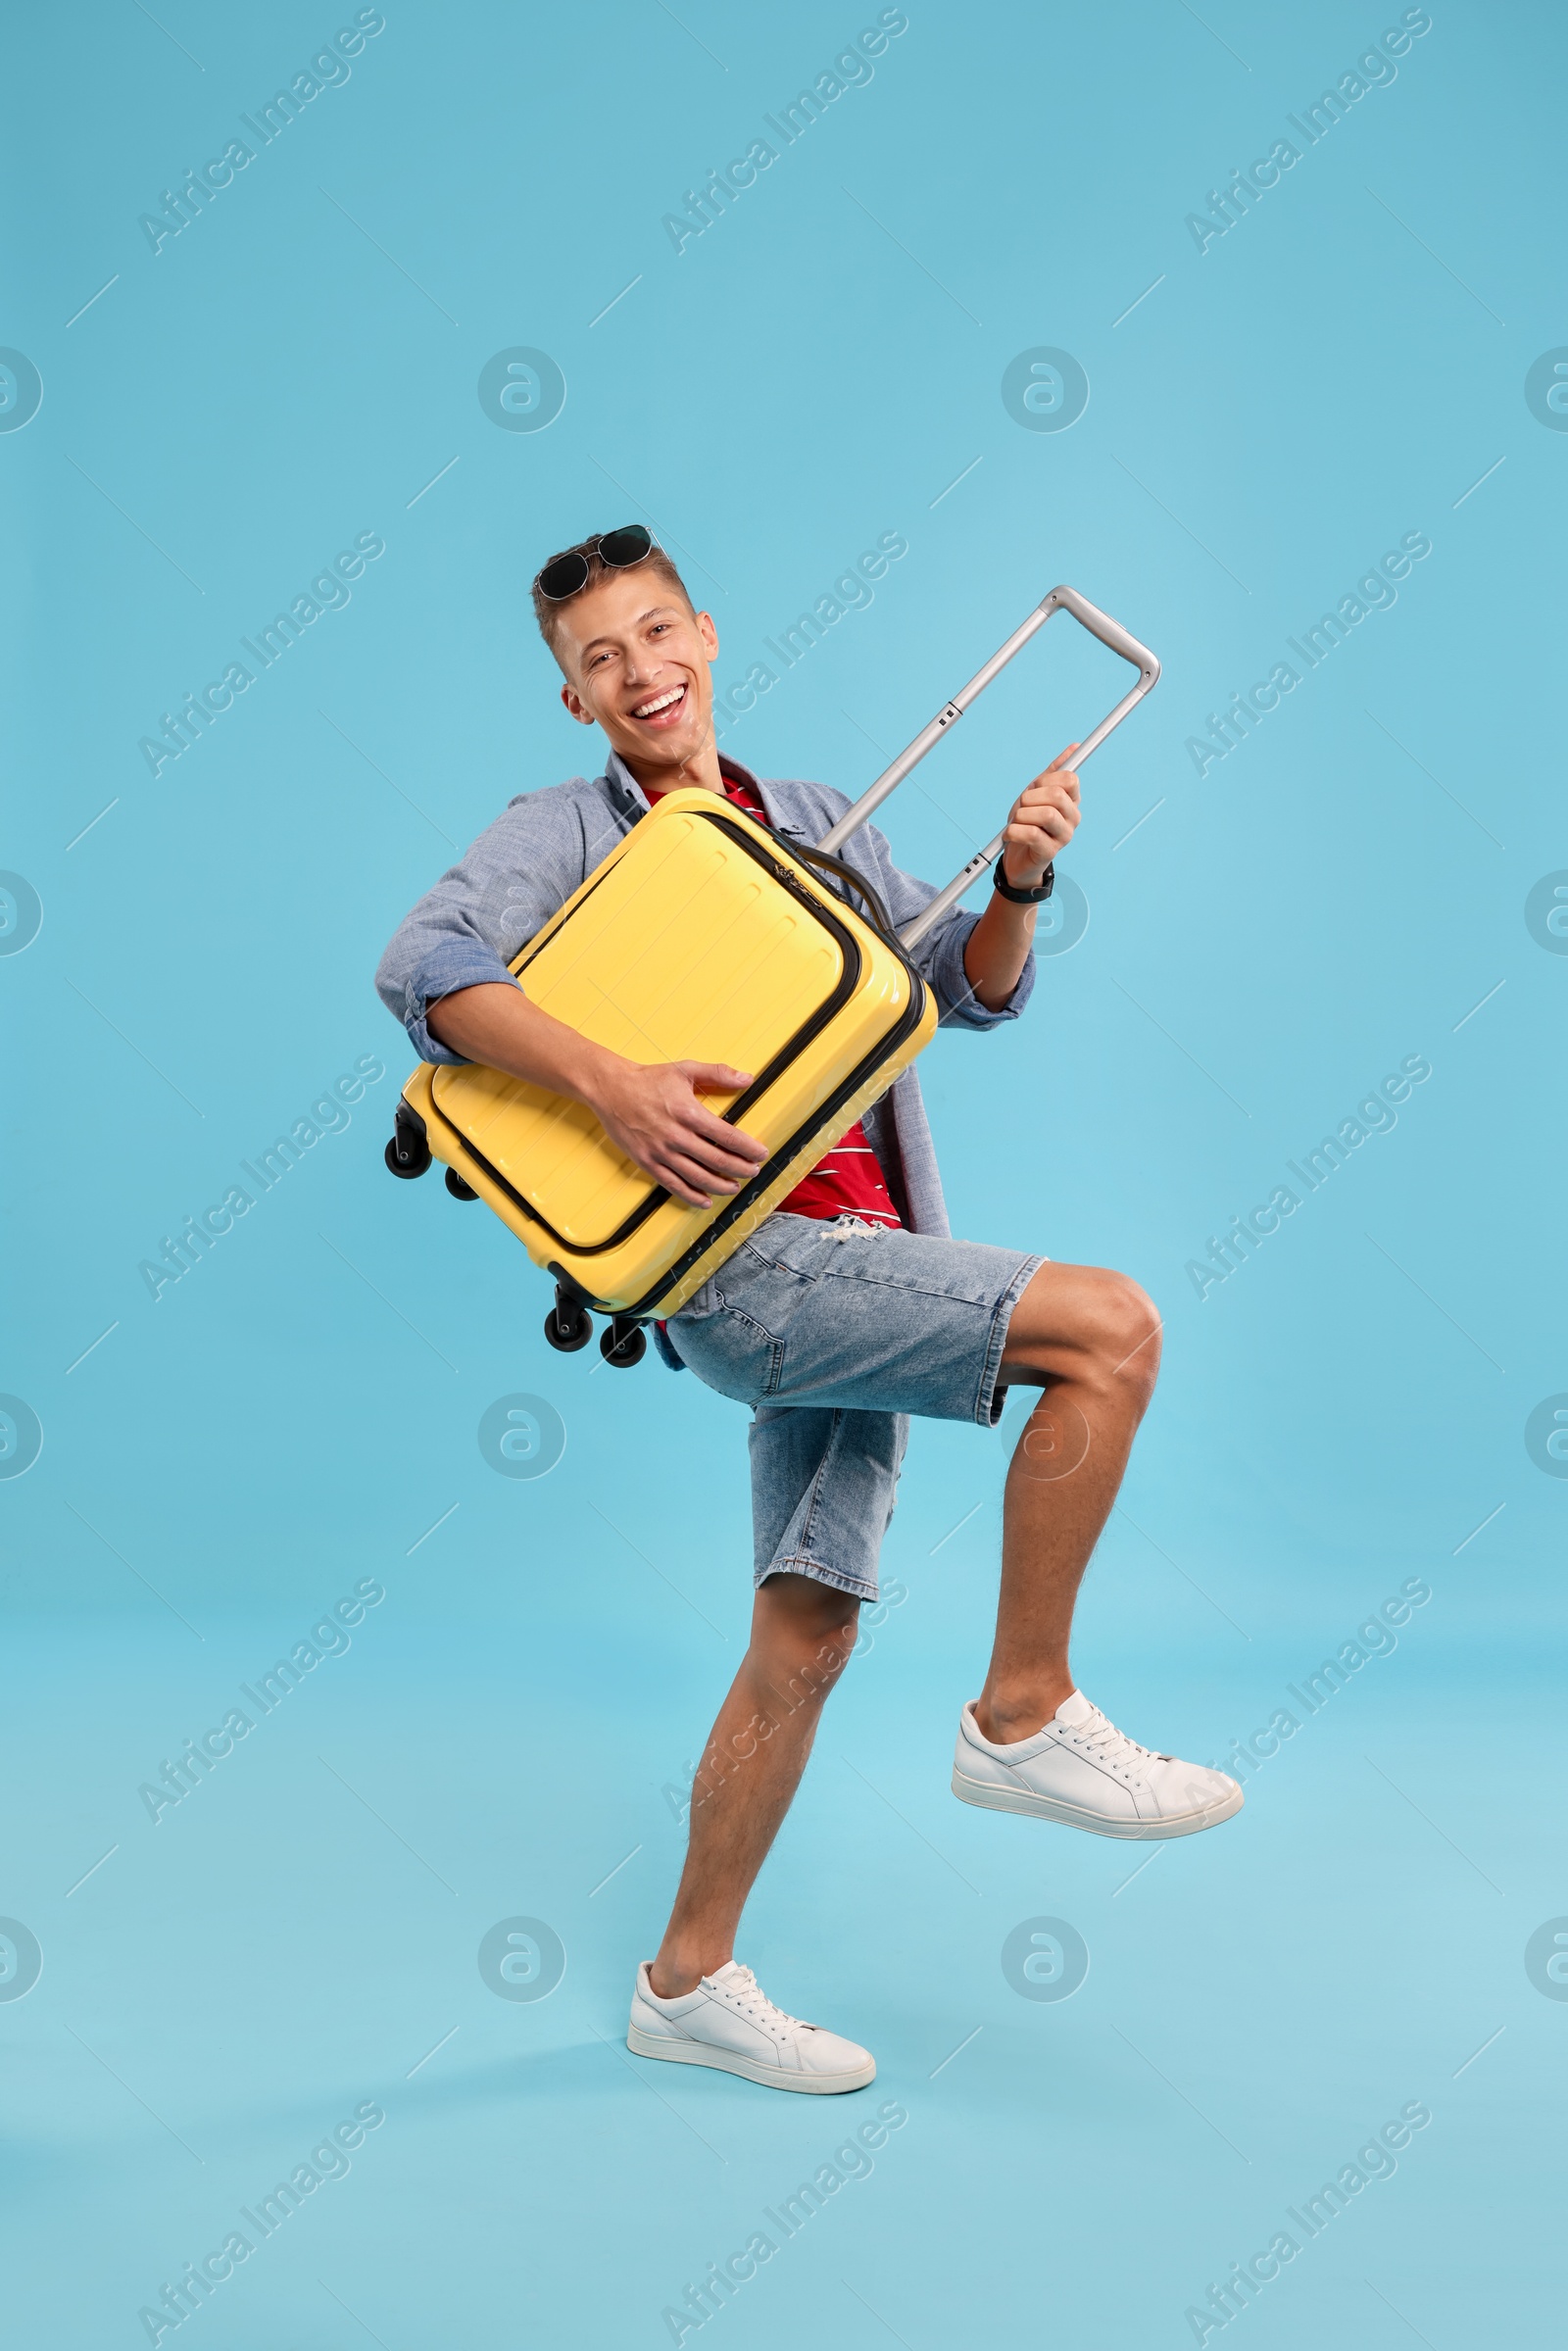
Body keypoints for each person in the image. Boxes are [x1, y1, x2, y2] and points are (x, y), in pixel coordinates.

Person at [375, 525, 1241, 2097]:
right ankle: (1023, 1712)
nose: (641, 673)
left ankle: (684, 1982)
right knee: (1109, 1331)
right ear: (574, 700)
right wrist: (613, 1082)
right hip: (749, 1271)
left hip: (869, 1259)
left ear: (708, 633)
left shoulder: (830, 822)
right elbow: (422, 966)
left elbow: (966, 990)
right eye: (599, 660)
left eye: (656, 635)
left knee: (807, 1633)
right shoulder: (565, 830)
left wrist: (1024, 882)